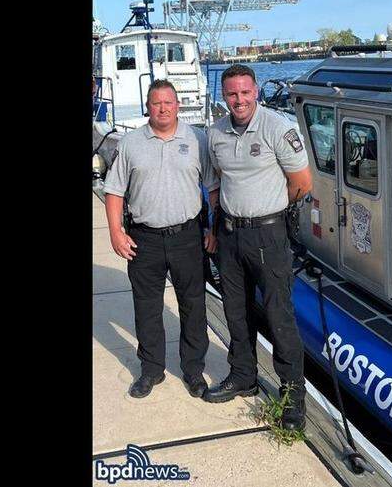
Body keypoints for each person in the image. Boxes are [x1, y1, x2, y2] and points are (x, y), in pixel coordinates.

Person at [202, 64, 313, 433]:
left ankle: (293, 398)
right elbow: (216, 180)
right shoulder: (215, 132)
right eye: (232, 94)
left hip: (267, 234)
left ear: (256, 92)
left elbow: (301, 183)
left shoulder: (277, 129)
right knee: (235, 311)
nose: (239, 100)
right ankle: (243, 376)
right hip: (230, 235)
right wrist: (217, 224)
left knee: (279, 317)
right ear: (224, 96)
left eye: (245, 92)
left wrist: (271, 215)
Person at [103, 79, 219, 399]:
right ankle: (151, 369)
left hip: (187, 236)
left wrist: (214, 228)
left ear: (178, 105)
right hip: (145, 238)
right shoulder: (130, 143)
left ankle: (193, 370)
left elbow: (212, 189)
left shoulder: (198, 140)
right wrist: (116, 232)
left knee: (193, 306)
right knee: (147, 307)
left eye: (169, 102)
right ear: (148, 107)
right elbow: (114, 192)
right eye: (156, 103)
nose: (163, 108)